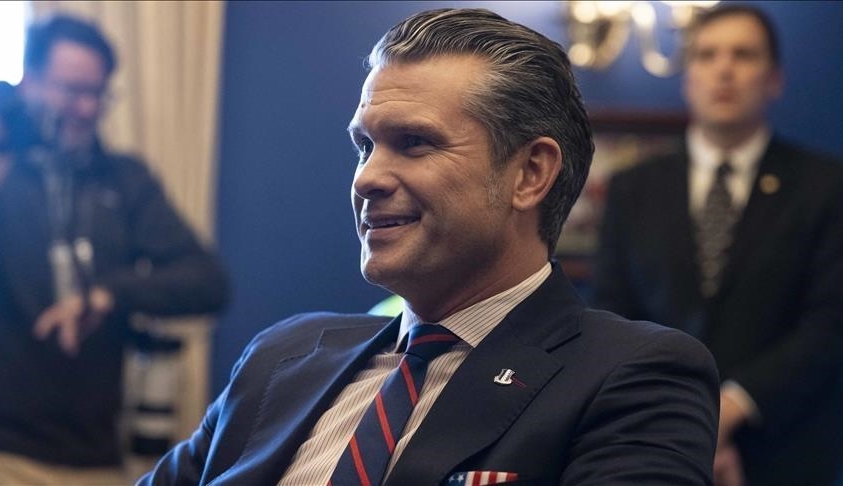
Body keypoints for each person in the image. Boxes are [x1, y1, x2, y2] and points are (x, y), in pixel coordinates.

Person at [140, 8, 719, 485]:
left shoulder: (633, 375)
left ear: (530, 174)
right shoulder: (281, 356)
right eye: (364, 147)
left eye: (414, 142)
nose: (367, 178)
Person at [593, 4, 843, 486]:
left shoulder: (832, 186)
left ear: (774, 80)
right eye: (707, 55)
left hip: (790, 448)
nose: (724, 69)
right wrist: (683, 415)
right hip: (654, 437)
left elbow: (832, 323)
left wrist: (727, 410)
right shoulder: (633, 188)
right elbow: (612, 314)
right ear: (688, 77)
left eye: (743, 54)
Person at [0, 14, 229, 484]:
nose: (86, 108)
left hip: (96, 456)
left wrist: (109, 293)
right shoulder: (2, 176)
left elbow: (208, 282)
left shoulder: (123, 180)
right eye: (71, 91)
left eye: (97, 93)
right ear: (29, 83)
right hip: (2, 452)